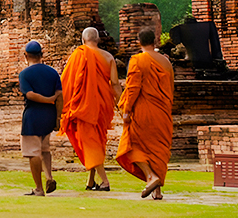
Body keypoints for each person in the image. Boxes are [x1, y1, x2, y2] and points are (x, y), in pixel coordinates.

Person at [117, 27, 176, 201]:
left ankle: (151, 176)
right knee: (158, 150)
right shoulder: (166, 62)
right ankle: (157, 191)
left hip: (143, 111)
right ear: (155, 41)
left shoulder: (138, 60)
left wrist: (126, 110)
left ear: (138, 42)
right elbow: (171, 89)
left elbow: (133, 88)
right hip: (163, 112)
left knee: (130, 146)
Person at [59, 26, 118, 191]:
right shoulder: (108, 57)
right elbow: (114, 84)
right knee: (96, 141)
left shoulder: (79, 54)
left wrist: (59, 104)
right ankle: (91, 180)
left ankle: (105, 181)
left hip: (85, 107)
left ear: (83, 40)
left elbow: (66, 81)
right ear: (97, 40)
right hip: (102, 105)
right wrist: (121, 103)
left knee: (91, 143)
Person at [17, 40, 63, 196]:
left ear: (26, 56)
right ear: (41, 55)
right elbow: (60, 97)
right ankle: (49, 177)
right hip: (49, 115)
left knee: (33, 152)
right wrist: (58, 118)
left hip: (33, 116)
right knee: (45, 148)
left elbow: (30, 95)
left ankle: (39, 188)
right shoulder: (52, 73)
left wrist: (47, 99)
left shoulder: (25, 74)